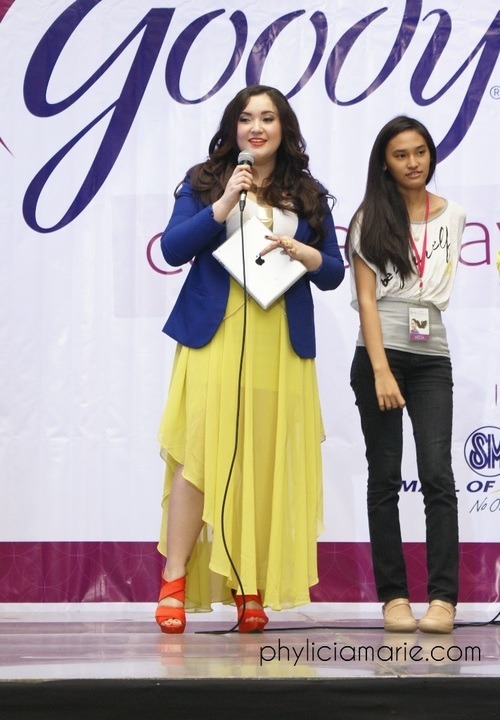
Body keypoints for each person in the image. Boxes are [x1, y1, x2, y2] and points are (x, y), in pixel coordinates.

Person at [155, 85, 345, 633]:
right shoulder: (205, 181)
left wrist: (306, 254)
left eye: (267, 118)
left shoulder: (307, 192)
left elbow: (333, 272)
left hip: (277, 341)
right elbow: (172, 249)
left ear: (284, 128)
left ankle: (249, 583)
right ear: (233, 128)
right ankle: (174, 578)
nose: (256, 127)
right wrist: (221, 205)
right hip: (214, 336)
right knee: (198, 456)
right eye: (246, 118)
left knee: (260, 461)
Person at [346, 116, 466, 634]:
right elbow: (366, 299)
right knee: (385, 478)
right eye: (401, 154)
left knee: (438, 474)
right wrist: (380, 370)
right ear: (385, 163)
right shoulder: (369, 218)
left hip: (432, 355)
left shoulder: (454, 215)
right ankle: (394, 597)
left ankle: (443, 599)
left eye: (420, 152)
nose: (413, 162)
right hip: (381, 356)